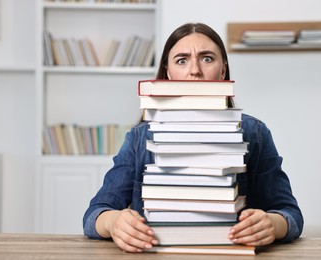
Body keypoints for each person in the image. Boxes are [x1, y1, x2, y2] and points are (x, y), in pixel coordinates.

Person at [83, 22, 303, 253]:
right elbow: (94, 215)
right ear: (168, 73)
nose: (195, 70)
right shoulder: (139, 139)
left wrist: (273, 224)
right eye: (181, 60)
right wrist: (114, 222)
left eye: (207, 58)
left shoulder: (255, 134)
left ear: (223, 70)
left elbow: (290, 214)